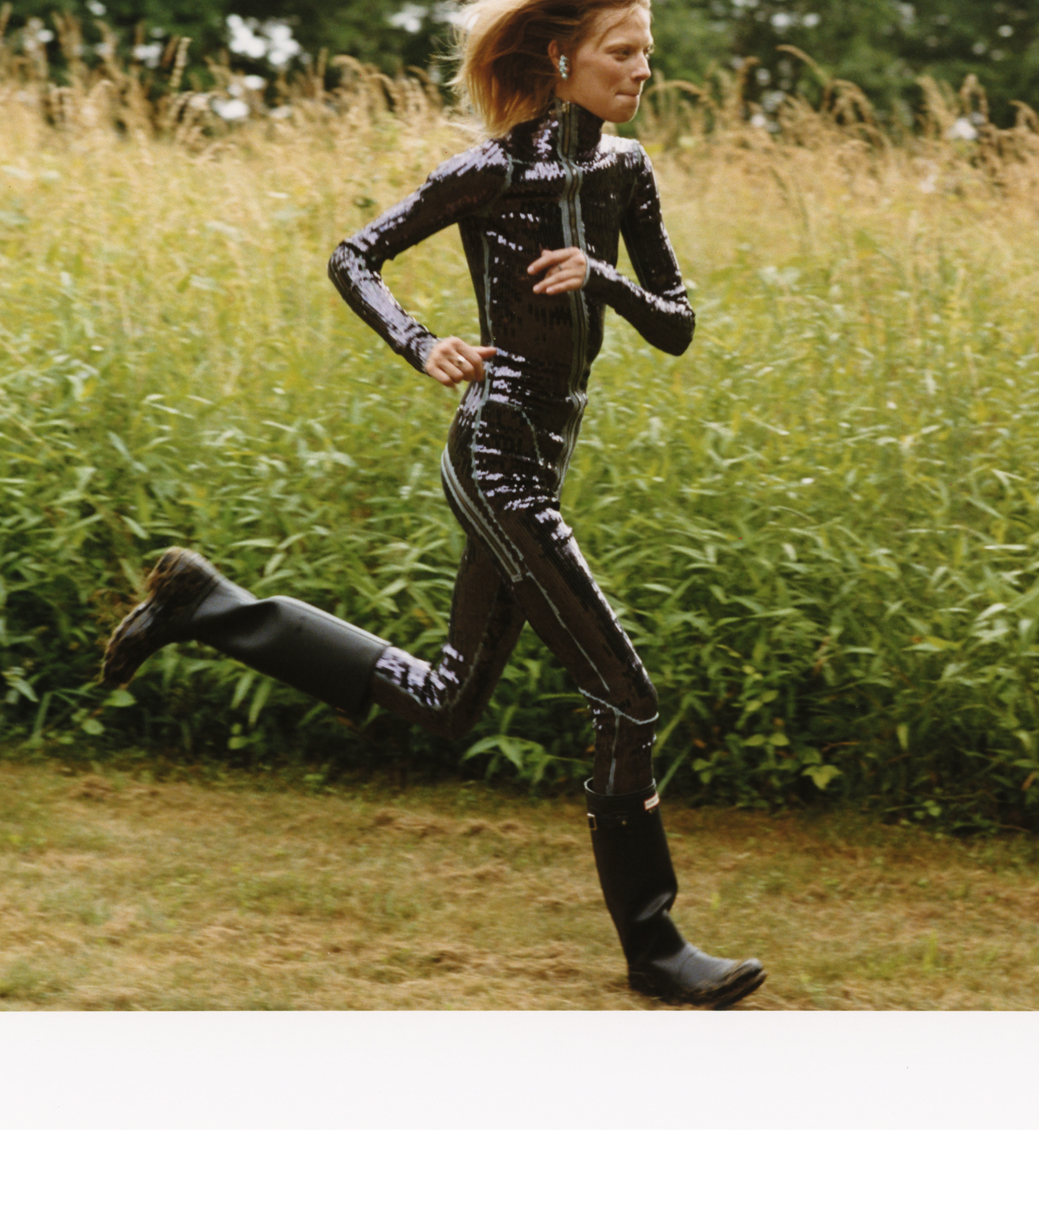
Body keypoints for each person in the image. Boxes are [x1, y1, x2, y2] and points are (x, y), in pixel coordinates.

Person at [102, 0, 766, 1008]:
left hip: (542, 463)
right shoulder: (493, 170)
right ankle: (656, 950)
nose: (641, 70)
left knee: (448, 701)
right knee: (627, 696)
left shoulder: (625, 171)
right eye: (621, 52)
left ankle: (206, 607)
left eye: (646, 54)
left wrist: (606, 280)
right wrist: (420, 343)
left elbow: (675, 323)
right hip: (493, 453)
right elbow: (352, 256)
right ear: (562, 56)